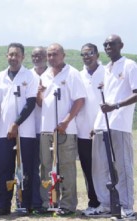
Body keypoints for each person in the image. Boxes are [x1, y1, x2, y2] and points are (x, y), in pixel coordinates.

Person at [0, 43, 39, 216]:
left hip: (26, 132)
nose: (13, 58)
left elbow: (31, 103)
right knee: (4, 169)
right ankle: (2, 205)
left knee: (25, 169)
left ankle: (25, 204)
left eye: (17, 55)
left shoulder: (30, 76)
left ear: (22, 57)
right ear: (6, 56)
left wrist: (16, 123)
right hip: (4, 132)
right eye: (10, 54)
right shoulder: (0, 77)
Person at [90, 34, 137, 219]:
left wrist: (116, 106)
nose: (108, 46)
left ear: (121, 45)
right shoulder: (107, 68)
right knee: (102, 167)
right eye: (106, 44)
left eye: (112, 43)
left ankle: (127, 207)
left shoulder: (130, 65)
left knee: (123, 166)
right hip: (103, 123)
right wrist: (97, 123)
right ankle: (107, 204)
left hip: (120, 123)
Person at [37, 43, 85, 216]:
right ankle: (48, 202)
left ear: (63, 55)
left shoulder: (72, 73)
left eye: (55, 54)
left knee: (66, 168)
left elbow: (80, 100)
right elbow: (42, 103)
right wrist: (39, 94)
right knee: (46, 167)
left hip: (66, 130)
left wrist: (65, 121)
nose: (51, 58)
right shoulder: (44, 75)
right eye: (49, 55)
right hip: (46, 129)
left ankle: (67, 204)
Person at [75, 43, 102, 215]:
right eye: (83, 54)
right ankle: (93, 202)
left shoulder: (106, 73)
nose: (86, 57)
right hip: (83, 131)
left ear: (97, 54)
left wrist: (98, 124)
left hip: (103, 129)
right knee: (88, 168)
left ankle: (110, 202)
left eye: (90, 53)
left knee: (106, 168)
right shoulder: (78, 75)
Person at [30, 46, 47, 213]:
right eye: (34, 55)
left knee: (48, 167)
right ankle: (36, 202)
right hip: (31, 129)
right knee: (33, 167)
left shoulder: (53, 74)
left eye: (40, 55)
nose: (37, 58)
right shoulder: (27, 75)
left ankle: (49, 201)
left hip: (49, 129)